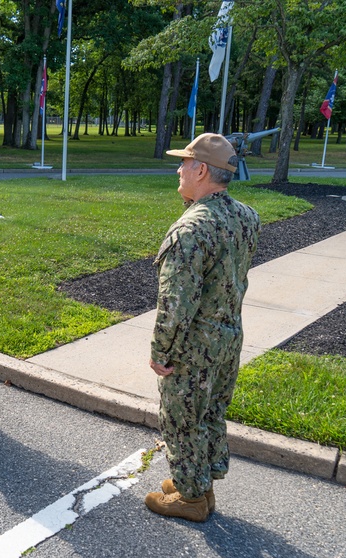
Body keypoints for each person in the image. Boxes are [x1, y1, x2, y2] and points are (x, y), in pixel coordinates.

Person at [143, 133, 260, 523]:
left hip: (193, 347)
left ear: (202, 170)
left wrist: (162, 354)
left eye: (185, 163)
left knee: (181, 418)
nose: (179, 169)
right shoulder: (245, 216)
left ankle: (191, 499)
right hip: (228, 340)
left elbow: (175, 306)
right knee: (209, 412)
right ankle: (199, 482)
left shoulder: (191, 230)